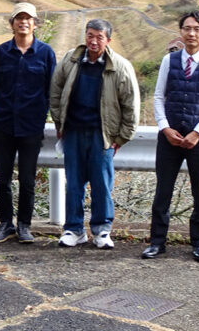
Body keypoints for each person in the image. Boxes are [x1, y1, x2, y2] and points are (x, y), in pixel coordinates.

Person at [49, 19, 140, 249]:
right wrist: (60, 124)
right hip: (73, 132)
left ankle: (102, 230)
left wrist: (120, 138)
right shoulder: (71, 60)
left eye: (99, 37)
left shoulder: (119, 66)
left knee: (101, 184)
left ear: (108, 40)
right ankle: (74, 229)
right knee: (74, 184)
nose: (93, 41)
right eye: (90, 35)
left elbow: (131, 106)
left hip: (103, 135)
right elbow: (56, 90)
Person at [143, 10, 199, 262]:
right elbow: (159, 96)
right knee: (162, 192)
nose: (192, 33)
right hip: (169, 137)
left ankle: (198, 243)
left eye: (197, 29)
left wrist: (198, 133)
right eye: (187, 28)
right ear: (180, 32)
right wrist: (164, 127)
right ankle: (157, 242)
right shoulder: (170, 61)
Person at [0, 3, 56, 244]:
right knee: (3, 179)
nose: (23, 22)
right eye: (19, 18)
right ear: (12, 23)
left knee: (27, 179)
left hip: (31, 125)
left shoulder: (46, 53)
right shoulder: (1, 52)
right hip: (5, 123)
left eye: (28, 19)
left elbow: (51, 90)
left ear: (35, 23)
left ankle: (24, 225)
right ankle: (5, 224)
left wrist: (42, 114)